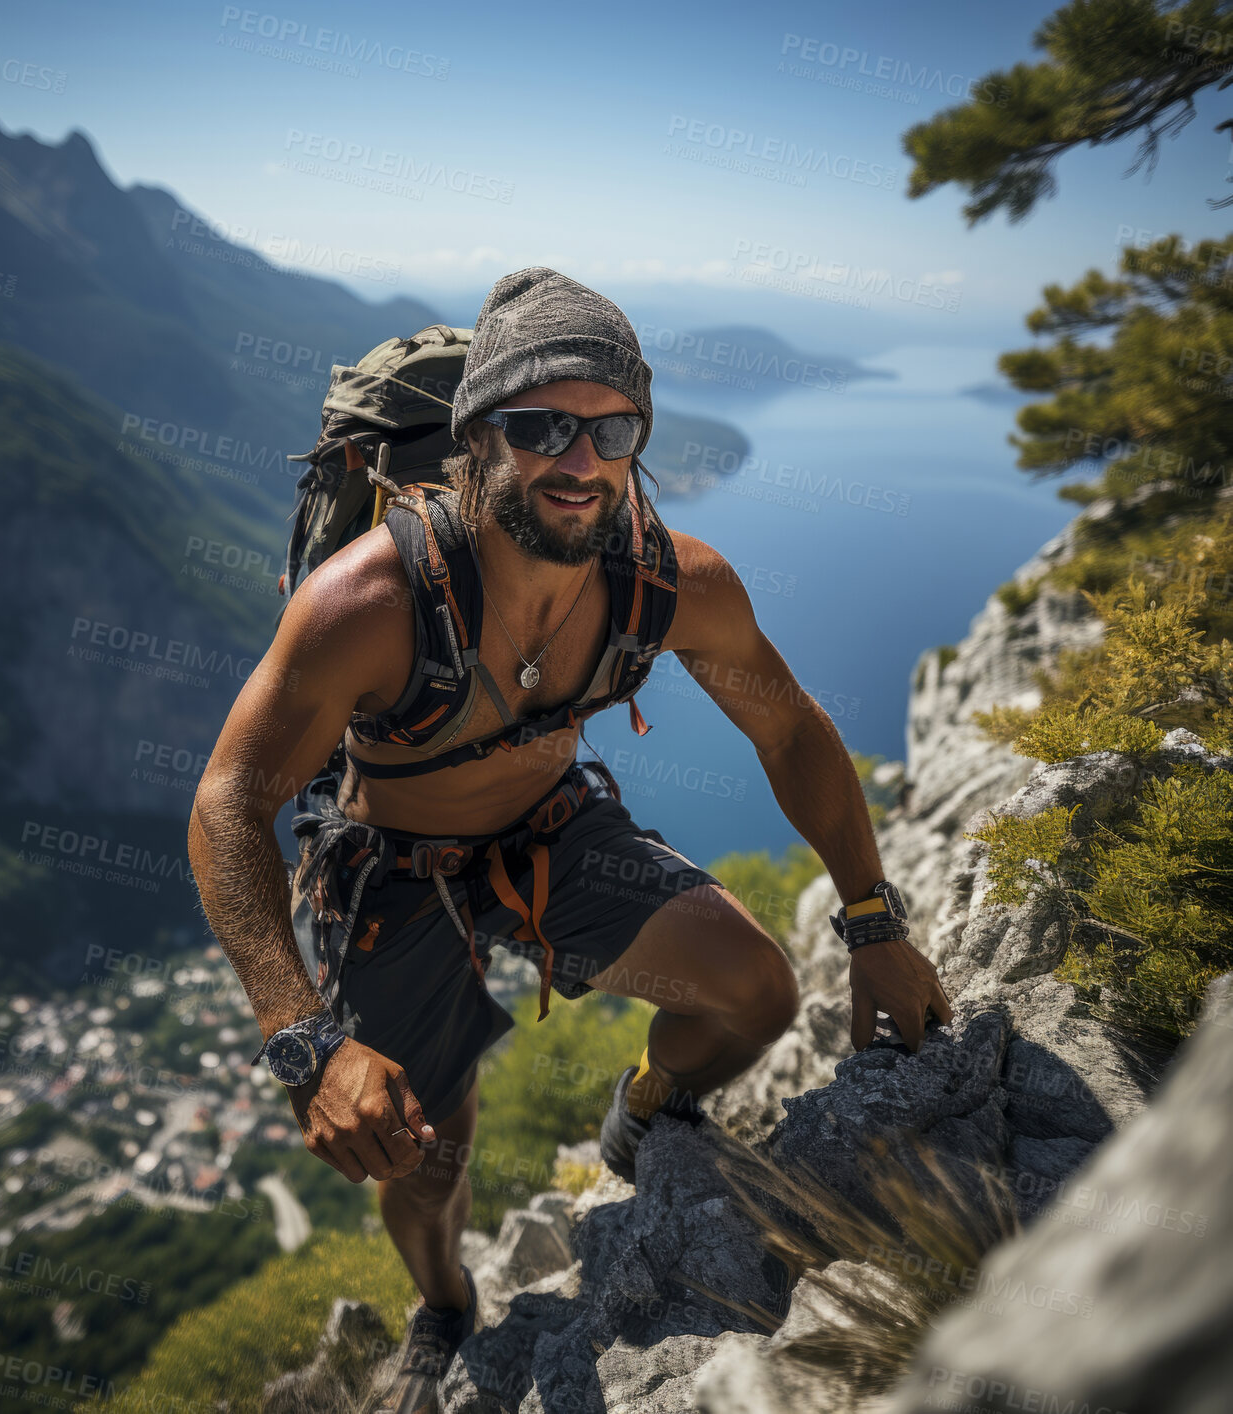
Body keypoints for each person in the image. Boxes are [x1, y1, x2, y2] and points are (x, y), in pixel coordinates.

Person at [188, 267, 953, 1414]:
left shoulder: (670, 582)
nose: (579, 459)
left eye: (611, 428)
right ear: (475, 437)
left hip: (548, 829)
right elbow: (228, 801)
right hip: (390, 868)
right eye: (541, 424)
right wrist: (306, 1042)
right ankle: (442, 1305)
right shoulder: (373, 603)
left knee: (753, 993)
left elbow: (789, 730)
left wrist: (874, 924)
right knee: (426, 1150)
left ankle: (646, 1107)